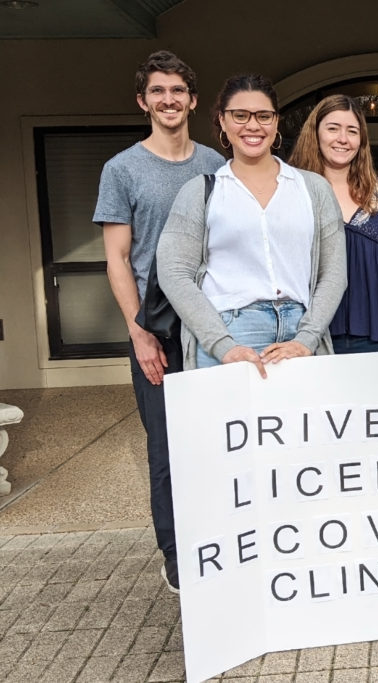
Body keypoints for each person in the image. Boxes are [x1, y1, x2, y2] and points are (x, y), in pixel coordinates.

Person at [93, 50, 224, 593]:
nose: (168, 100)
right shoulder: (122, 169)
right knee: (167, 445)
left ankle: (222, 538)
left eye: (178, 91)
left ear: (193, 100)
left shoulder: (217, 164)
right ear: (143, 101)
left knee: (218, 438)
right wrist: (139, 333)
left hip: (213, 322)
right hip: (158, 328)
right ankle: (176, 553)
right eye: (158, 91)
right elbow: (118, 258)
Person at [157, 74, 346, 376]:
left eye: (263, 116)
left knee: (299, 424)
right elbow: (174, 273)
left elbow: (334, 273)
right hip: (230, 332)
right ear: (222, 120)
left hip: (300, 330)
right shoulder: (201, 191)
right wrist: (222, 344)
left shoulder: (313, 189)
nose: (253, 126)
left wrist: (307, 339)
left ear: (276, 121)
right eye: (240, 115)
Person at [288, 94, 378, 353]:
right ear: (315, 133)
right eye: (333, 128)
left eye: (352, 131)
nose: (343, 139)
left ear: (362, 140)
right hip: (313, 339)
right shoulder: (291, 190)